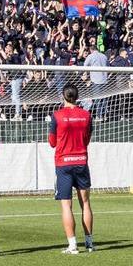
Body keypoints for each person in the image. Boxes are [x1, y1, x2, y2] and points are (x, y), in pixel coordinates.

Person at [49, 83, 95, 254]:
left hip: (64, 164)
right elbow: (88, 138)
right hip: (81, 161)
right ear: (77, 96)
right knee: (85, 203)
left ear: (63, 96)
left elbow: (52, 142)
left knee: (66, 206)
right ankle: (89, 243)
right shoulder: (86, 115)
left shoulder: (57, 115)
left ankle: (73, 245)